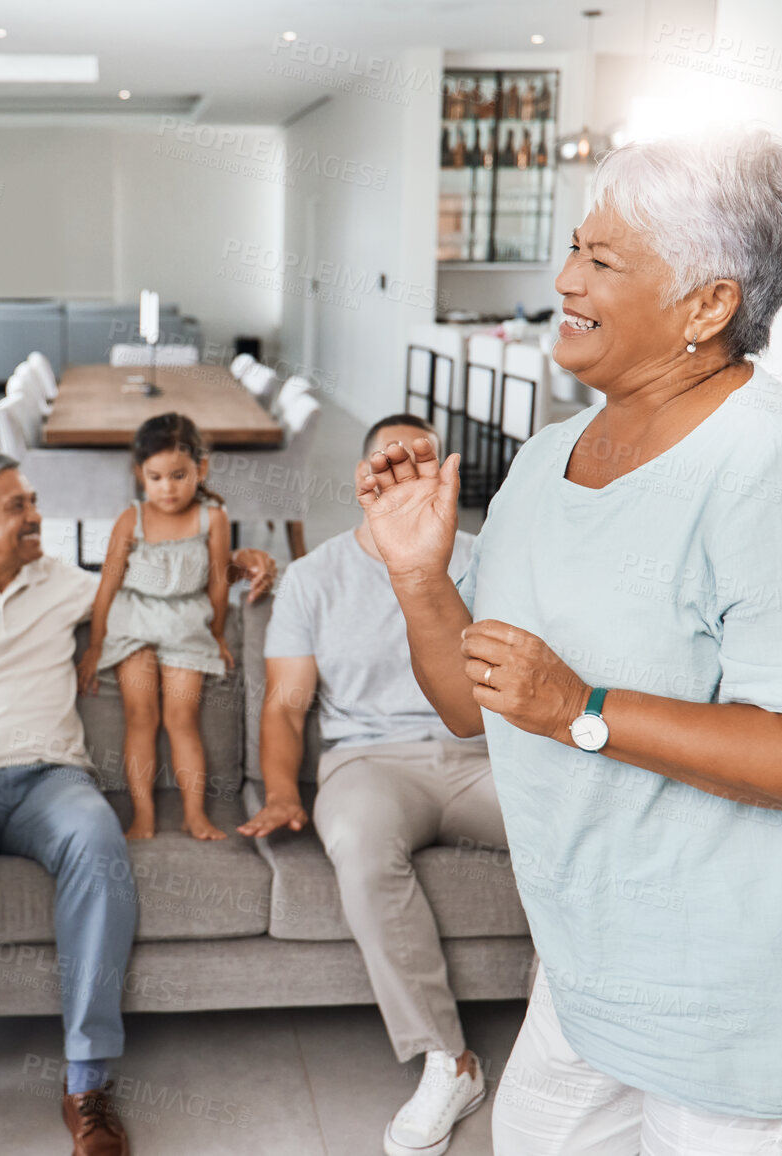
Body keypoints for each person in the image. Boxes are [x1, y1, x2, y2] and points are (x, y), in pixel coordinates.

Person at [358, 127, 782, 1156]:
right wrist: (419, 580)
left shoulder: (773, 466)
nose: (561, 277)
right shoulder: (550, 458)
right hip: (588, 960)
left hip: (740, 988)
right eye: (572, 249)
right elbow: (476, 705)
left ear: (706, 304)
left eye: (600, 260)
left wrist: (583, 710)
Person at [0, 448, 274, 1156]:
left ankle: (86, 1081)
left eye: (32, 502)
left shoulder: (64, 584)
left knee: (98, 842)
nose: (37, 517)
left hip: (50, 780)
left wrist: (238, 565)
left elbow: (158, 583)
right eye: (16, 507)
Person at [238, 413, 505, 1156]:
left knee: (583, 826)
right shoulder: (314, 577)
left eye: (425, 464)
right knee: (354, 838)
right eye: (393, 464)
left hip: (484, 755)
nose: (410, 476)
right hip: (370, 763)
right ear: (366, 483)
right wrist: (284, 790)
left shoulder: (490, 559)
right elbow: (286, 705)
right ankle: (449, 1060)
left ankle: (594, 1030)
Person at [78, 413, 234, 841]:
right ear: (140, 474)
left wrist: (217, 634)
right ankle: (142, 815)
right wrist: (95, 644)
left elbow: (219, 584)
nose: (168, 487)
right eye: (157, 476)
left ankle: (194, 814)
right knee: (140, 716)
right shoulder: (131, 519)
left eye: (179, 475)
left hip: (186, 625)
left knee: (182, 719)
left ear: (201, 469)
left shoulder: (213, 519)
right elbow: (107, 584)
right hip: (134, 625)